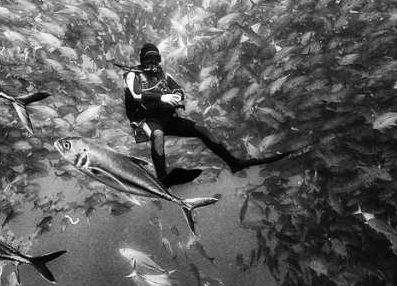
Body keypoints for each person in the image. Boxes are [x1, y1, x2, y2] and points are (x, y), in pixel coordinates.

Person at [121, 43, 291, 185]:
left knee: (201, 129)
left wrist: (177, 96)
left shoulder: (164, 76)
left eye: (155, 58)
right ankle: (162, 178)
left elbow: (179, 90)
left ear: (159, 59)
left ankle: (234, 162)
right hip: (146, 120)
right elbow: (136, 95)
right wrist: (163, 97)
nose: (152, 62)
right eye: (148, 59)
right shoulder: (132, 75)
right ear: (142, 60)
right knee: (158, 135)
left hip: (167, 119)